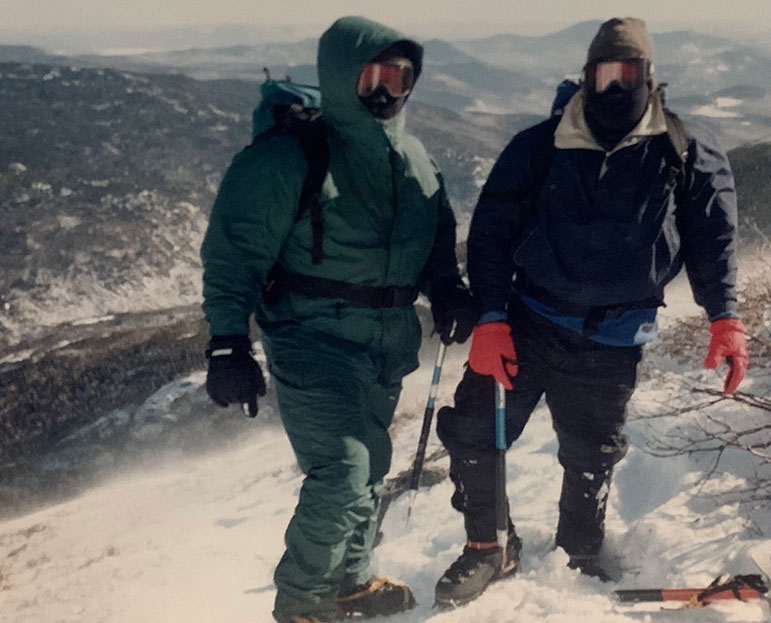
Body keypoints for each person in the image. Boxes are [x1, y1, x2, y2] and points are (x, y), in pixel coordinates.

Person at [433, 17, 749, 607]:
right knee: (475, 430)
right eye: (604, 73)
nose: (614, 88)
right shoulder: (540, 145)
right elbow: (493, 233)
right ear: (585, 76)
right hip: (526, 320)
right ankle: (488, 546)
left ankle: (578, 551)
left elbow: (714, 238)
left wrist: (724, 316)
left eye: (628, 74)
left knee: (591, 452)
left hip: (613, 336)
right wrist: (490, 315)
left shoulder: (686, 148)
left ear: (648, 77)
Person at [200, 15, 477, 623]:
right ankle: (302, 606)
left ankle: (350, 584)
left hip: (386, 344)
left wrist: (447, 289)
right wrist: (227, 342)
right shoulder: (289, 160)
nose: (386, 91)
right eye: (373, 76)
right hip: (310, 339)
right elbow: (233, 252)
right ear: (340, 76)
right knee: (345, 469)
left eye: (400, 79)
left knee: (372, 462)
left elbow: (434, 239)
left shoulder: (414, 159)